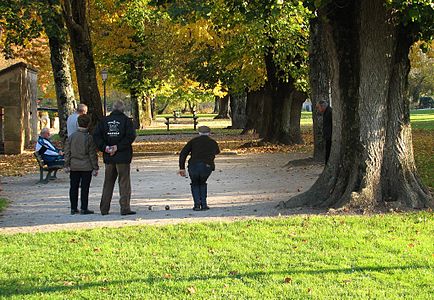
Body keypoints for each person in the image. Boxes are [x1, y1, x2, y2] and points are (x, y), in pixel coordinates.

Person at [93, 100, 136, 216]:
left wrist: (105, 147)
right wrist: (117, 147)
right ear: (122, 109)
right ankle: (125, 207)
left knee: (108, 183)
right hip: (123, 156)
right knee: (124, 183)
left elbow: (96, 136)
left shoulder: (104, 121)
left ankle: (104, 208)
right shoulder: (127, 121)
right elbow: (130, 136)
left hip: (109, 157)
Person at [178, 126, 220, 211]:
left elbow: (183, 154)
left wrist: (182, 168)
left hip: (194, 165)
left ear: (199, 133)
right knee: (203, 182)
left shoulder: (193, 141)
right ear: (209, 133)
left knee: (195, 183)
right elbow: (217, 151)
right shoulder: (212, 142)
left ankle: (197, 205)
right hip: (207, 166)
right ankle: (204, 205)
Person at [64, 115, 99, 215]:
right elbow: (92, 154)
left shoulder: (71, 137)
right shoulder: (89, 138)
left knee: (73, 187)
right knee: (85, 188)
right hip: (86, 166)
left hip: (74, 165)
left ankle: (73, 208)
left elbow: (67, 152)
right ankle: (84, 208)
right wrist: (95, 167)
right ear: (88, 124)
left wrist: (66, 165)